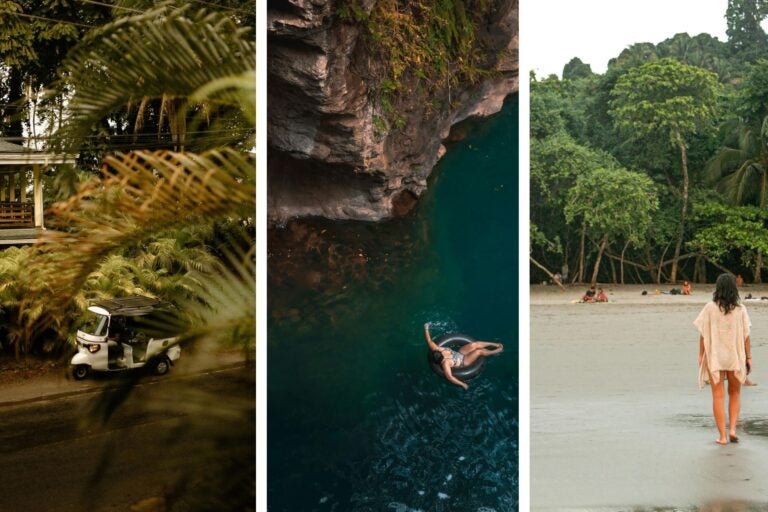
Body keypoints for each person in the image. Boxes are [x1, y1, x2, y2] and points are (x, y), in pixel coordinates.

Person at [695, 273, 753, 445]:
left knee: (718, 396)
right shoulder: (741, 309)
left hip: (716, 357)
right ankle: (733, 429)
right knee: (735, 393)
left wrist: (700, 355)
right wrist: (748, 357)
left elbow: (703, 334)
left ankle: (722, 436)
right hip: (735, 357)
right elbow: (746, 336)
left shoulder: (710, 308)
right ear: (734, 289)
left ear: (717, 288)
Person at [424, 323, 503, 390]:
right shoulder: (446, 363)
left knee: (475, 344)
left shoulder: (438, 349)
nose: (444, 353)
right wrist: (462, 384)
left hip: (460, 353)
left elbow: (429, 341)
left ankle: (495, 344)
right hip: (463, 362)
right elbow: (450, 377)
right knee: (479, 351)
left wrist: (426, 328)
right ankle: (496, 351)